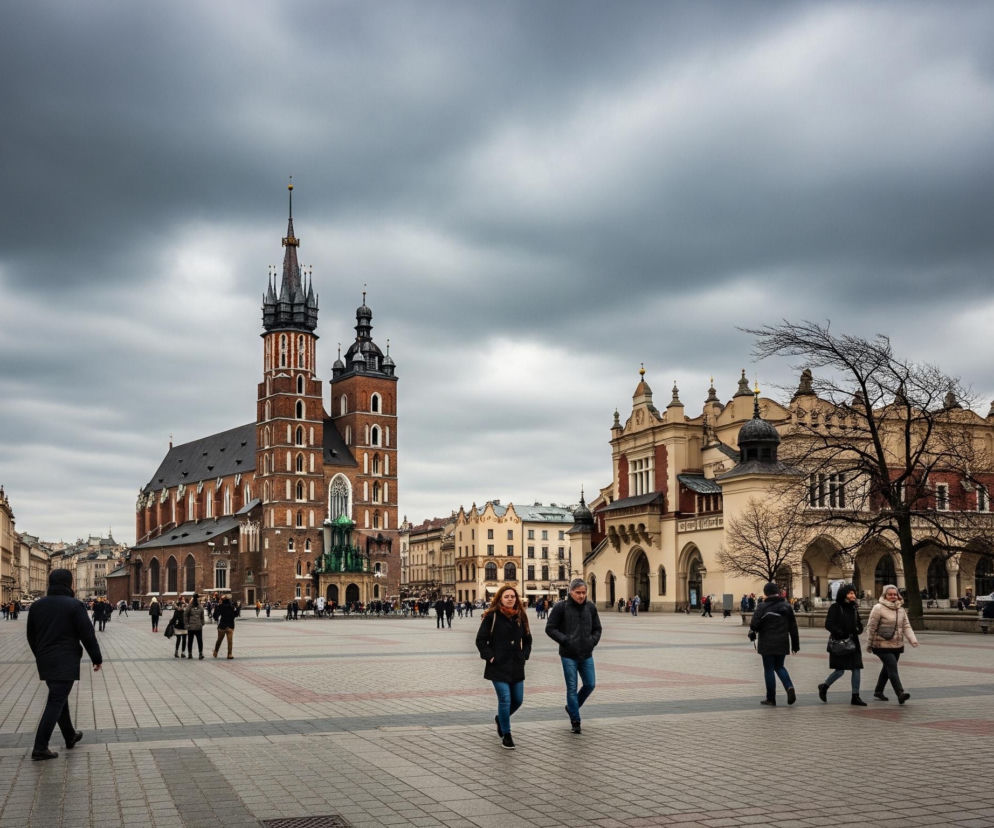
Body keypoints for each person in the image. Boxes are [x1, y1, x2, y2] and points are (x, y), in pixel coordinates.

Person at [25, 569, 103, 760]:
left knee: (59, 698)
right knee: (56, 701)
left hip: (45, 660)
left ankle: (70, 736)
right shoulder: (74, 605)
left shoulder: (37, 606)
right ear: (69, 584)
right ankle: (40, 747)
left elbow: (31, 635)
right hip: (66, 660)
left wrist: (40, 655)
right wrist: (97, 658)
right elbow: (87, 634)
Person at [475, 584, 532, 750]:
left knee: (518, 700)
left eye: (513, 597)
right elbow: (480, 640)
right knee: (505, 699)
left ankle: (501, 719)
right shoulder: (492, 616)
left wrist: (524, 655)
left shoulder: (521, 616)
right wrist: (490, 657)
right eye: (506, 596)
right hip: (498, 665)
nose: (510, 599)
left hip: (516, 664)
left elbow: (528, 639)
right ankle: (507, 734)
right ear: (500, 598)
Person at [546, 578, 602, 734]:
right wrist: (565, 640)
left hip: (586, 653)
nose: (581, 596)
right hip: (568, 654)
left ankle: (571, 707)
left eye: (584, 592)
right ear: (571, 592)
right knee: (572, 688)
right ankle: (576, 721)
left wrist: (592, 641)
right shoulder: (561, 607)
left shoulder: (590, 608)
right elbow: (550, 628)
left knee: (590, 684)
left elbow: (597, 628)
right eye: (578, 593)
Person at [748, 582, 800, 706]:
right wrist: (795, 645)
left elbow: (754, 624)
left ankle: (771, 698)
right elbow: (793, 627)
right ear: (777, 592)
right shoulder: (787, 606)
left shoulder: (762, 606)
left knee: (769, 669)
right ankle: (789, 687)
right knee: (780, 666)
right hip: (782, 641)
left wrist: (752, 632)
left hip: (767, 642)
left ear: (766, 593)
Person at [865, 584, 918, 704]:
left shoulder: (901, 609)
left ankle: (878, 691)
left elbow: (906, 626)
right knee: (892, 667)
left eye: (895, 594)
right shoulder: (878, 608)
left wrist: (912, 639)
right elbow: (871, 626)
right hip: (881, 644)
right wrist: (869, 643)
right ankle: (900, 693)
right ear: (885, 595)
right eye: (890, 594)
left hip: (897, 644)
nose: (893, 596)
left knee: (887, 668)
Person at [818, 583, 866, 705]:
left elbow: (858, 623)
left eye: (854, 593)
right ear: (844, 594)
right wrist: (840, 633)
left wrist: (859, 629)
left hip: (853, 642)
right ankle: (824, 686)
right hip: (839, 642)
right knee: (840, 670)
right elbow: (828, 624)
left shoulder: (854, 608)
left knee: (856, 668)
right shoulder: (835, 607)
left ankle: (855, 696)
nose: (853, 595)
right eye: (850, 593)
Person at [184, 594, 206, 659]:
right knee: (199, 640)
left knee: (191, 641)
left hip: (193, 627)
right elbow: (202, 616)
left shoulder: (190, 606)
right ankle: (200, 653)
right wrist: (202, 623)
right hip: (195, 627)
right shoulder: (198, 607)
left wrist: (187, 624)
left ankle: (191, 654)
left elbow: (185, 615)